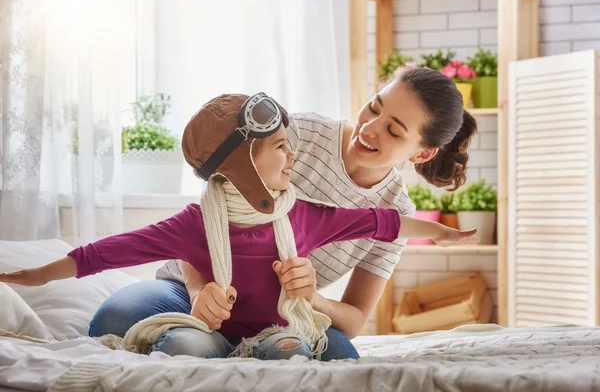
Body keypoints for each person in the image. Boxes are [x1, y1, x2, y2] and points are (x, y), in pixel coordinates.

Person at [0, 91, 478, 360]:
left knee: (338, 356)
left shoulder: (312, 217)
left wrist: (309, 296)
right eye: (375, 106)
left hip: (281, 312)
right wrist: (201, 290)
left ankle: (236, 347)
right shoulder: (299, 131)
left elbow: (385, 230)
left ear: (421, 152)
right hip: (188, 291)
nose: (370, 128)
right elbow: (203, 201)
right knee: (113, 319)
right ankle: (208, 341)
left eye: (394, 130)